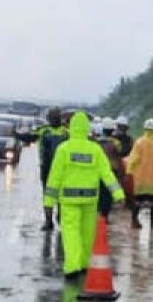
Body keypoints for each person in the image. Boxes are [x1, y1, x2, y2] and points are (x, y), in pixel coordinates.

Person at [43, 112, 126, 280]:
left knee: (71, 232)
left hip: (69, 199)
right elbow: (107, 174)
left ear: (72, 128)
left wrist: (49, 202)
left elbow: (54, 177)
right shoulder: (94, 149)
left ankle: (73, 267)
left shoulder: (64, 149)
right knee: (88, 234)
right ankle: (84, 265)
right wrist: (118, 194)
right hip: (89, 200)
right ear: (86, 129)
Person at [126, 118, 153, 230]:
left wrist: (129, 171)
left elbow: (133, 159)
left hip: (140, 180)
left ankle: (134, 221)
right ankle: (152, 223)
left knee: (137, 201)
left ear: (144, 128)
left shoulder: (139, 142)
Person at [37, 107, 69, 232]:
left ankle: (52, 220)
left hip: (58, 169)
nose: (54, 119)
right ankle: (50, 220)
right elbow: (28, 136)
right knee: (50, 195)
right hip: (48, 168)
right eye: (53, 116)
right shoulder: (45, 131)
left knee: (53, 195)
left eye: (56, 117)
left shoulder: (66, 133)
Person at [96, 117, 125, 220]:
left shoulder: (96, 142)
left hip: (98, 170)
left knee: (99, 192)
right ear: (112, 130)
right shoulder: (116, 143)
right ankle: (105, 216)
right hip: (112, 171)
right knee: (108, 194)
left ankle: (98, 213)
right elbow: (119, 157)